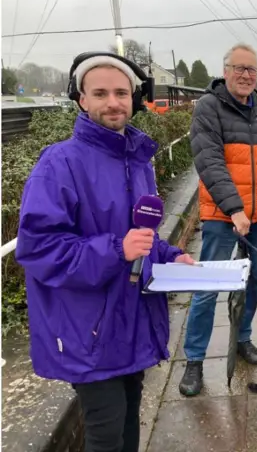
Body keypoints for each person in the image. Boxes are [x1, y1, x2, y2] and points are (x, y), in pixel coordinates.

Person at [15, 52, 195, 452]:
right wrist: (116, 249)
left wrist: (168, 256)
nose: (112, 102)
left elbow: (140, 236)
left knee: (130, 418)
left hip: (131, 319)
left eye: (121, 92)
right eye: (100, 93)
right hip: (88, 329)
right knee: (106, 432)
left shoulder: (138, 159)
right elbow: (39, 248)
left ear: (134, 98)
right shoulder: (58, 163)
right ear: (81, 99)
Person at [181, 43, 257, 396]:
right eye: (238, 68)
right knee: (208, 288)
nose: (245, 75)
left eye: (251, 70)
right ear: (225, 71)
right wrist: (235, 209)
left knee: (254, 281)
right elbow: (209, 161)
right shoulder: (209, 107)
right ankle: (194, 360)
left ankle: (243, 338)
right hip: (224, 217)